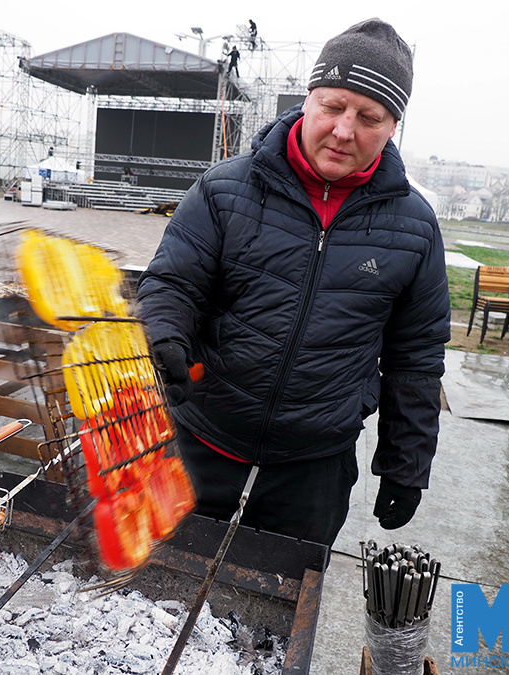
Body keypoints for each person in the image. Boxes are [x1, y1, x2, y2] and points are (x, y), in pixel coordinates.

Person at [137, 18, 450, 549]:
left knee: (276, 612)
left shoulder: (415, 226)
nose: (344, 130)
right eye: (332, 106)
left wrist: (407, 464)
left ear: (393, 125)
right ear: (308, 100)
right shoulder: (223, 189)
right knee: (160, 595)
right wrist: (163, 332)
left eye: (369, 116)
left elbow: (415, 356)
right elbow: (172, 283)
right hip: (201, 438)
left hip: (314, 467)